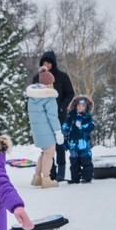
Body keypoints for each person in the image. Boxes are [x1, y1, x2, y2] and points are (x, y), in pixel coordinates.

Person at [32, 51, 75, 181]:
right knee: (47, 146)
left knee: (59, 143)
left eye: (49, 63)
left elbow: (70, 93)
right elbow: (32, 97)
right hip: (43, 118)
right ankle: (50, 172)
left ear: (53, 64)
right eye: (44, 63)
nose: (47, 65)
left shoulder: (62, 77)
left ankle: (61, 171)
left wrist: (62, 106)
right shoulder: (37, 78)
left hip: (59, 116)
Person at [27, 67, 65, 188]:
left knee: (44, 153)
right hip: (47, 131)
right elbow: (53, 117)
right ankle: (46, 179)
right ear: (49, 83)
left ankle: (37, 177)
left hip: (37, 131)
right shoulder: (49, 98)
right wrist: (58, 132)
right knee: (49, 154)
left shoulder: (32, 97)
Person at [62, 95, 95, 184]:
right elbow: (65, 127)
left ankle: (87, 178)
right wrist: (64, 140)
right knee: (74, 161)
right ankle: (75, 178)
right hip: (73, 144)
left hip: (84, 144)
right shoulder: (71, 115)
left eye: (83, 106)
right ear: (75, 106)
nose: (80, 107)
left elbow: (91, 127)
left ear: (86, 107)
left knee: (86, 161)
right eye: (79, 106)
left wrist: (82, 124)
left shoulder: (87, 116)